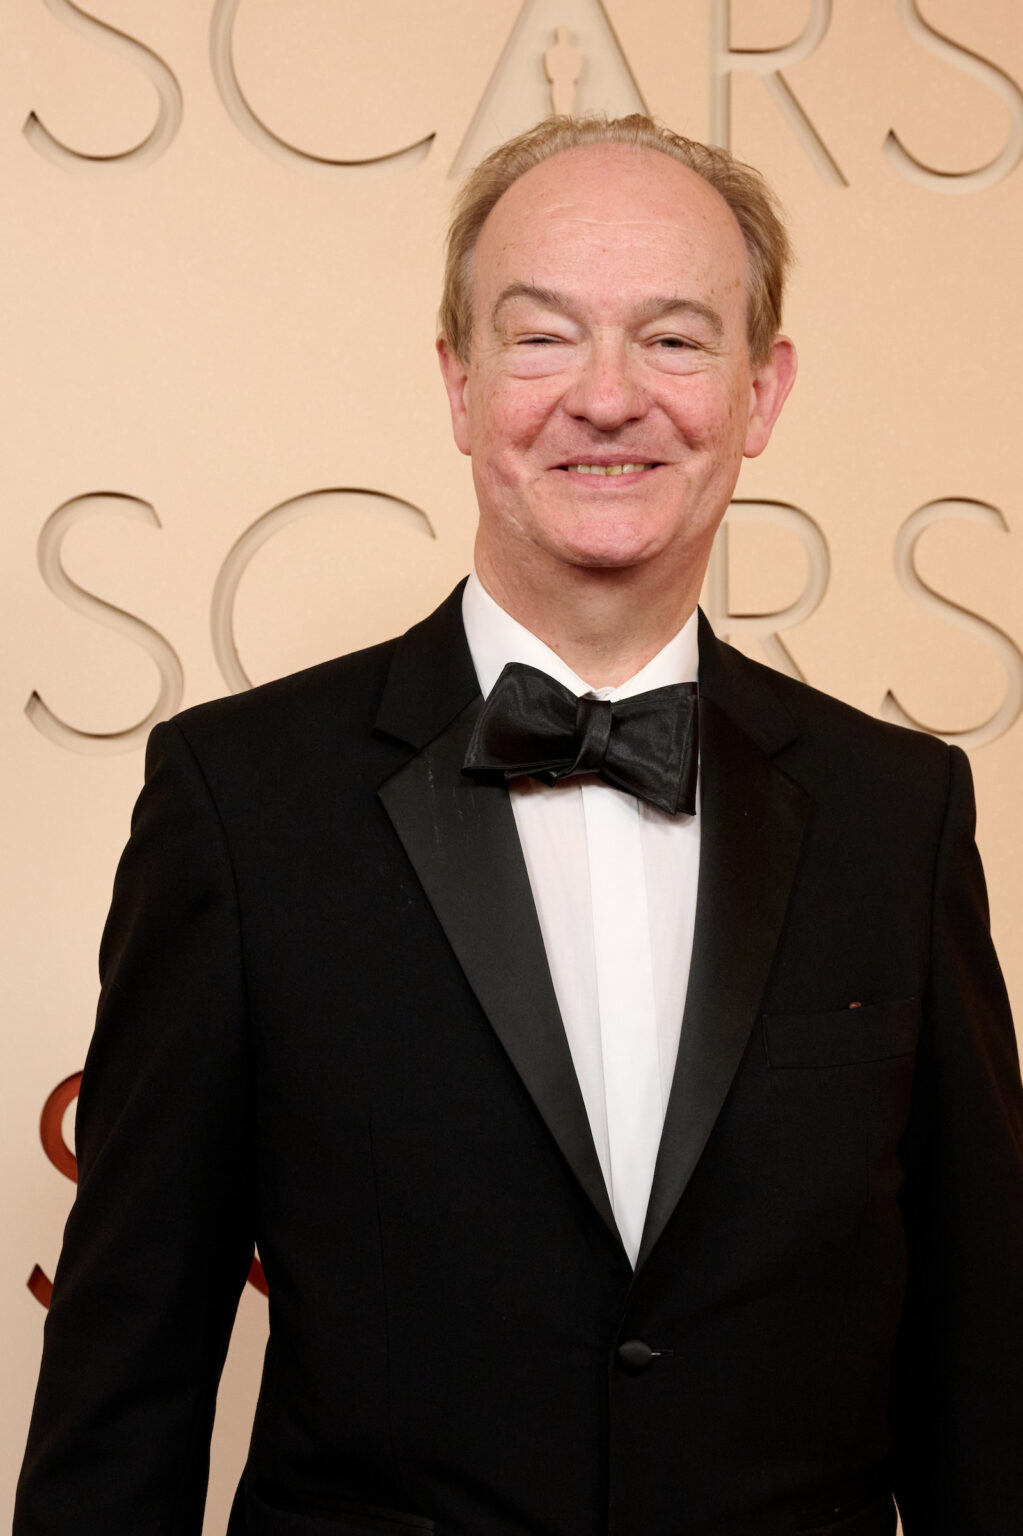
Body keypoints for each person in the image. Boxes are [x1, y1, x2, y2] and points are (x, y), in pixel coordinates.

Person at [15, 113, 1023, 1536]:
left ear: (761, 391)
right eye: (544, 337)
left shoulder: (900, 813)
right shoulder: (240, 803)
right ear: (460, 381)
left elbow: (985, 1382)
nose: (608, 398)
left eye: (674, 339)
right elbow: (126, 1383)